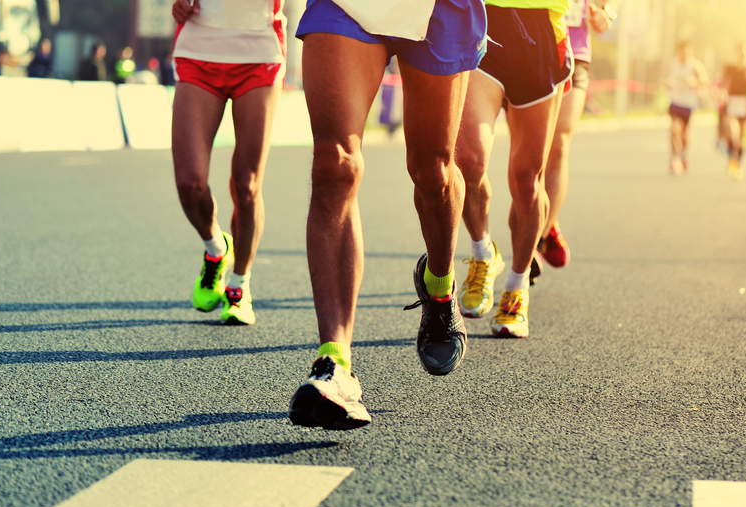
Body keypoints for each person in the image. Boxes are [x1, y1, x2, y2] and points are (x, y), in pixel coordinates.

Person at [286, 0, 487, 430]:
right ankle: (335, 363)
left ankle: (438, 286)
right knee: (333, 164)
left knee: (433, 172)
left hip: (438, 9)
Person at [455, 0, 573, 338]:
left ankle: (517, 288)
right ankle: (482, 255)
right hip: (483, 18)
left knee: (526, 180)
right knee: (468, 159)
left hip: (542, 31)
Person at [169, 0, 286, 327]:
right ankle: (216, 248)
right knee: (189, 182)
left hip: (259, 51)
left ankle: (239, 285)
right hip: (198, 49)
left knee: (247, 185)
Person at [534, 0, 614, 275]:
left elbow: (608, 5)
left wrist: (607, 13)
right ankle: (547, 215)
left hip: (574, 50)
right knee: (533, 149)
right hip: (524, 41)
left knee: (558, 143)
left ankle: (535, 242)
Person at [666, 40, 708, 175]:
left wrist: (694, 81)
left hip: (688, 104)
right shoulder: (673, 63)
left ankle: (684, 155)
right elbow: (667, 79)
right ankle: (675, 159)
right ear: (678, 51)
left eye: (687, 51)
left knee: (684, 134)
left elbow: (704, 81)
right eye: (682, 51)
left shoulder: (695, 65)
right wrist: (668, 82)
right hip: (675, 102)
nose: (684, 54)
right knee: (674, 129)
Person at [722, 43, 746, 180]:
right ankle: (732, 157)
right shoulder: (730, 70)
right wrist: (722, 93)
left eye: (745, 54)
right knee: (733, 133)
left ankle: (737, 164)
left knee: (741, 140)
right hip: (732, 104)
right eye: (740, 54)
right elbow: (722, 85)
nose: (742, 56)